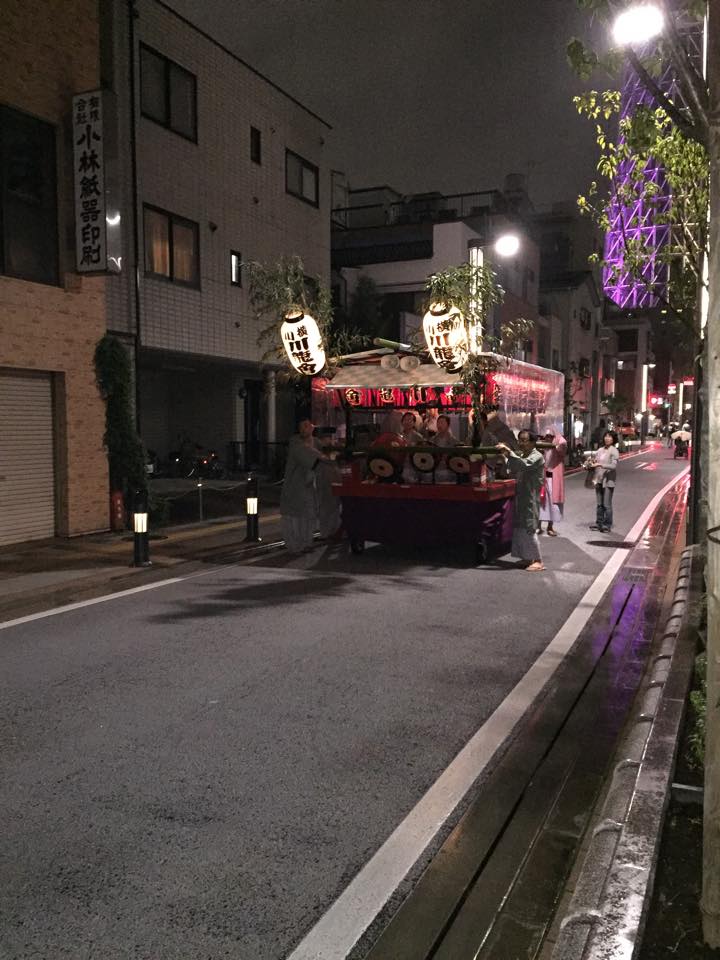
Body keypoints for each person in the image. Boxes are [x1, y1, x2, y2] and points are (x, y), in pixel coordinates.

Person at [496, 430, 545, 571]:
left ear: (532, 442)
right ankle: (527, 557)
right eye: (520, 440)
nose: (521, 443)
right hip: (521, 494)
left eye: (524, 440)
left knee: (529, 526)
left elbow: (523, 465)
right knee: (520, 526)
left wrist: (509, 452)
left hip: (530, 495)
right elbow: (513, 467)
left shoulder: (537, 456)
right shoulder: (523, 455)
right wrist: (506, 456)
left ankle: (538, 560)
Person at [280, 419, 325, 553]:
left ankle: (306, 543)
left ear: (312, 427)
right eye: (301, 426)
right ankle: (295, 546)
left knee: (308, 516)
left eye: (306, 425)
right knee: (294, 518)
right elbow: (312, 457)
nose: (304, 429)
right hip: (295, 487)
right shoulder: (296, 443)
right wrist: (324, 458)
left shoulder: (316, 442)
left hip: (309, 488)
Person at [537, 430, 567, 537]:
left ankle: (550, 526)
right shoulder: (542, 444)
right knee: (541, 501)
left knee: (553, 503)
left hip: (554, 477)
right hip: (544, 476)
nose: (548, 437)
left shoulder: (559, 442)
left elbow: (562, 446)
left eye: (550, 436)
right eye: (546, 436)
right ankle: (538, 526)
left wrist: (556, 442)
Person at [589, 430, 619, 532]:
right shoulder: (600, 450)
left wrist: (601, 465)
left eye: (610, 437)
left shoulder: (614, 451)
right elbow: (594, 460)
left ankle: (607, 524)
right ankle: (599, 523)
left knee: (607, 504)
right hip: (599, 479)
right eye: (606, 436)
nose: (607, 438)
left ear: (613, 439)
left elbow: (613, 466)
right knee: (599, 504)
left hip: (608, 481)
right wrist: (590, 463)